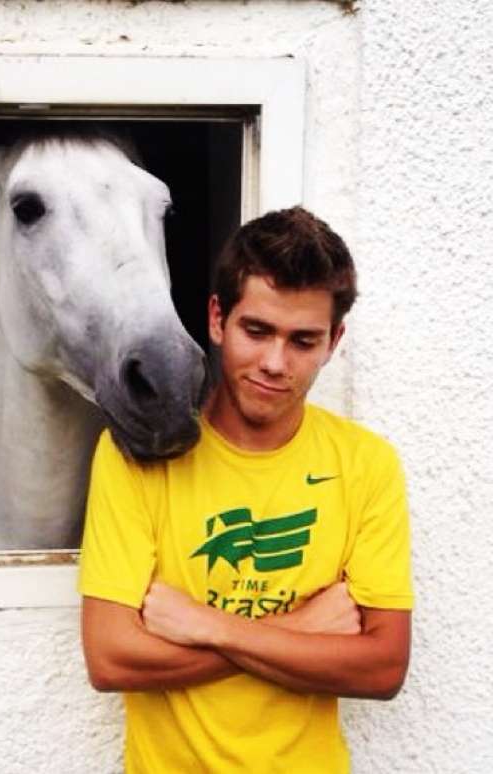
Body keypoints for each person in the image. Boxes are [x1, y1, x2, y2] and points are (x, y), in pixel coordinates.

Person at [77, 206, 413, 773]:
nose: (274, 363)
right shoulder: (138, 453)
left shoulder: (365, 464)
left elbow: (382, 669)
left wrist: (208, 625)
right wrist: (301, 631)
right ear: (217, 318)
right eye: (256, 331)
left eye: (303, 341)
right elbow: (111, 659)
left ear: (334, 340)